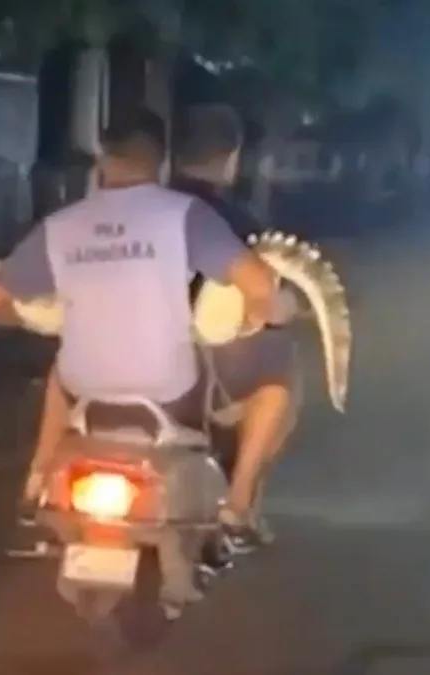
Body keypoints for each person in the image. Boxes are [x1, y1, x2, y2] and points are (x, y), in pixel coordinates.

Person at [0, 108, 288, 556]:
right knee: (276, 382)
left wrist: (25, 319)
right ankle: (236, 506)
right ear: (160, 164)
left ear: (102, 159)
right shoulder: (185, 215)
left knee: (62, 364)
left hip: (86, 387)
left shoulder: (60, 226)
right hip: (169, 386)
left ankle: (35, 485)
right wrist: (260, 314)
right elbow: (260, 286)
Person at [171, 103, 300, 548]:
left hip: (115, 367)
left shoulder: (144, 211)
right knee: (277, 384)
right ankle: (239, 502)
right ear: (232, 156)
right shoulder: (234, 221)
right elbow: (260, 301)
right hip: (195, 371)